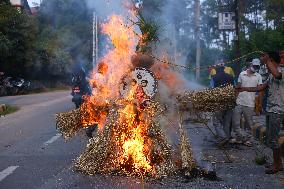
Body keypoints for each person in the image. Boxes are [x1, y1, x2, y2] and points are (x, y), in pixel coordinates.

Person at [238, 52, 284, 174]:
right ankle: (277, 163)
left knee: (273, 139)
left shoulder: (280, 71)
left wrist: (267, 60)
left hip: (278, 110)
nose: (262, 61)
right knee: (270, 139)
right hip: (270, 110)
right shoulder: (270, 75)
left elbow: (278, 75)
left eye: (266, 58)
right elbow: (260, 88)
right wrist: (243, 88)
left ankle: (278, 164)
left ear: (271, 60)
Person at [232, 59, 263, 146]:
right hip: (239, 101)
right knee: (235, 122)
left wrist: (260, 103)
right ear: (251, 65)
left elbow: (260, 90)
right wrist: (234, 99)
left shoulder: (258, 76)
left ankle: (247, 139)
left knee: (249, 123)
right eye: (254, 66)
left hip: (250, 103)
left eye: (257, 66)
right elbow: (238, 87)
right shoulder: (242, 74)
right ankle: (240, 138)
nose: (255, 68)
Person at [210, 65, 235, 146]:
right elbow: (233, 87)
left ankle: (223, 137)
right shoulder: (230, 77)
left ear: (216, 70)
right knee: (227, 122)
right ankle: (227, 138)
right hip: (230, 102)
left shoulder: (214, 77)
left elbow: (212, 88)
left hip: (220, 102)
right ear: (224, 69)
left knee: (216, 121)